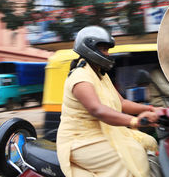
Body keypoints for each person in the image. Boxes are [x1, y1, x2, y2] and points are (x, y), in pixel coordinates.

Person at [56, 26, 160, 177]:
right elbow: (97, 110)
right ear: (88, 48)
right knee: (131, 158)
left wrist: (151, 109)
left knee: (149, 143)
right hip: (80, 141)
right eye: (103, 49)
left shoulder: (101, 75)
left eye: (107, 49)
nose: (107, 54)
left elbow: (122, 103)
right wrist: (136, 121)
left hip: (102, 133)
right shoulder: (80, 76)